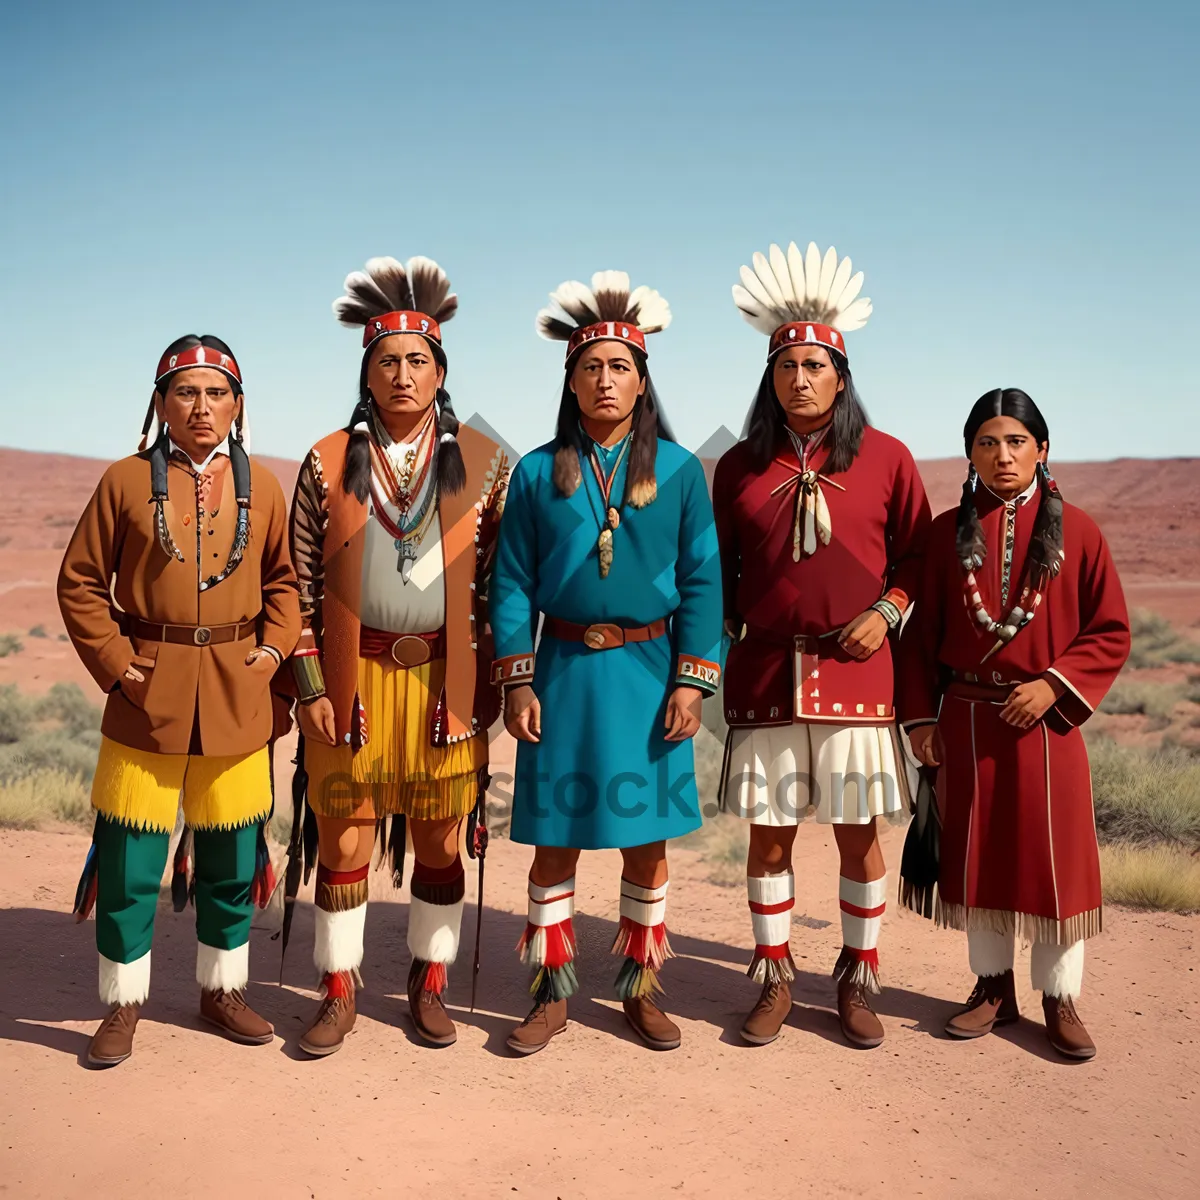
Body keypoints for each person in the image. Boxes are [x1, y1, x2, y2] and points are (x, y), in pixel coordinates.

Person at [490, 271, 723, 1054]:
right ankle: (550, 992)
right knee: (556, 839)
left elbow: (702, 581)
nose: (605, 379)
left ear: (642, 378)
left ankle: (638, 989)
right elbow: (514, 582)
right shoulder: (534, 471)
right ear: (571, 379)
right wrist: (517, 676)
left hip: (650, 675)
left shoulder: (684, 471)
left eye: (620, 366)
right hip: (560, 674)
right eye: (591, 367)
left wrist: (693, 681)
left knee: (645, 841)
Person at [59, 335, 301, 1067]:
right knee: (131, 860)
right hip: (146, 691)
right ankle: (123, 1004)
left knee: (231, 859)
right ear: (161, 403)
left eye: (217, 393)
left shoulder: (264, 486)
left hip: (236, 695)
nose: (202, 408)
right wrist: (113, 660)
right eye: (186, 392)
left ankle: (221, 989)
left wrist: (271, 651)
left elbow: (286, 585)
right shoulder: (124, 482)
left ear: (237, 404)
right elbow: (80, 583)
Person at [287, 256, 508, 1055]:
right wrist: (308, 681)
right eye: (388, 361)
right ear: (367, 373)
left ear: (440, 372)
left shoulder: (485, 465)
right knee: (343, 835)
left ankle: (429, 983)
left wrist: (500, 683)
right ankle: (339, 990)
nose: (403, 374)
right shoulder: (322, 461)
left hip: (446, 683)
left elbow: (501, 587)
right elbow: (295, 584)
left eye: (418, 360)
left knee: (441, 838)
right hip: (352, 684)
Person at [713, 241, 931, 1049]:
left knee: (857, 836)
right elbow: (718, 566)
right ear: (770, 378)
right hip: (767, 670)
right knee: (768, 837)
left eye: (814, 366)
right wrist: (730, 622)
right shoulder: (738, 466)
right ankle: (774, 975)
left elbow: (915, 556)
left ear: (841, 377)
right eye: (786, 367)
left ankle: (856, 979)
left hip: (859, 674)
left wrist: (890, 608)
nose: (799, 379)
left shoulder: (888, 459)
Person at [898, 389, 1130, 1059]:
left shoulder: (1080, 532)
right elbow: (920, 642)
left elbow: (1110, 630)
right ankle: (992, 990)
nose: (1003, 455)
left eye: (1017, 442)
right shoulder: (945, 533)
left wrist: (1052, 685)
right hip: (966, 723)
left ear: (1042, 449)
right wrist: (920, 722)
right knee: (978, 857)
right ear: (971, 452)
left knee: (1054, 864)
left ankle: (1060, 998)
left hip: (1046, 726)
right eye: (988, 443)